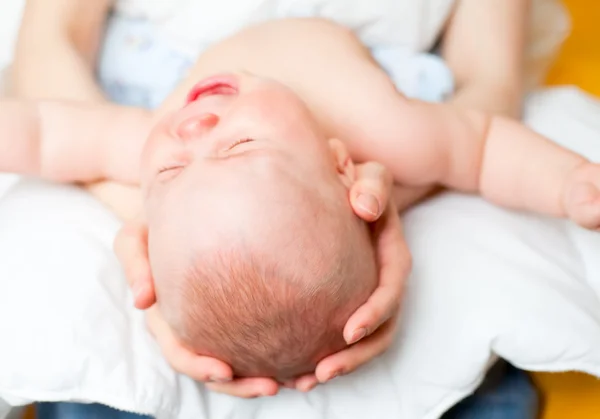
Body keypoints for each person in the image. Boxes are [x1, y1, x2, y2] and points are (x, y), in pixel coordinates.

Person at [10, 0, 539, 417]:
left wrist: (345, 205)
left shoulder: (178, 136)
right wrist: (173, 225)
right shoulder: (169, 133)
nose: (199, 128)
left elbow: (487, 87)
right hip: (134, 115)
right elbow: (52, 46)